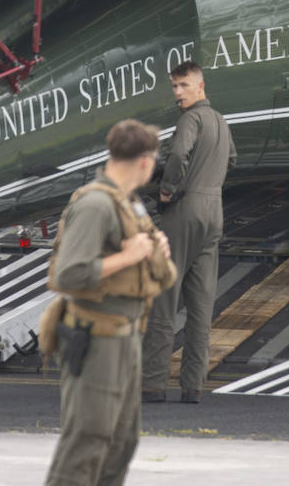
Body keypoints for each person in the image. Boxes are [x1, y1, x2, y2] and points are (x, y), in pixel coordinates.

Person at [44, 119, 175, 486]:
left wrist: (155, 255)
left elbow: (165, 277)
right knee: (87, 438)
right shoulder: (96, 205)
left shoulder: (129, 204)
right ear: (146, 162)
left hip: (126, 338)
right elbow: (68, 274)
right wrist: (130, 256)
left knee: (120, 441)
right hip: (96, 337)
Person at [141, 60, 236, 404]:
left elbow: (180, 153)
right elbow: (233, 160)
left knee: (164, 299)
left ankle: (153, 383)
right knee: (201, 305)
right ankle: (192, 387)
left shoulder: (190, 119)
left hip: (184, 210)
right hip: (215, 211)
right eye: (175, 87)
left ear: (200, 86)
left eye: (183, 86)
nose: (177, 93)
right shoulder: (222, 122)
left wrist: (166, 187)